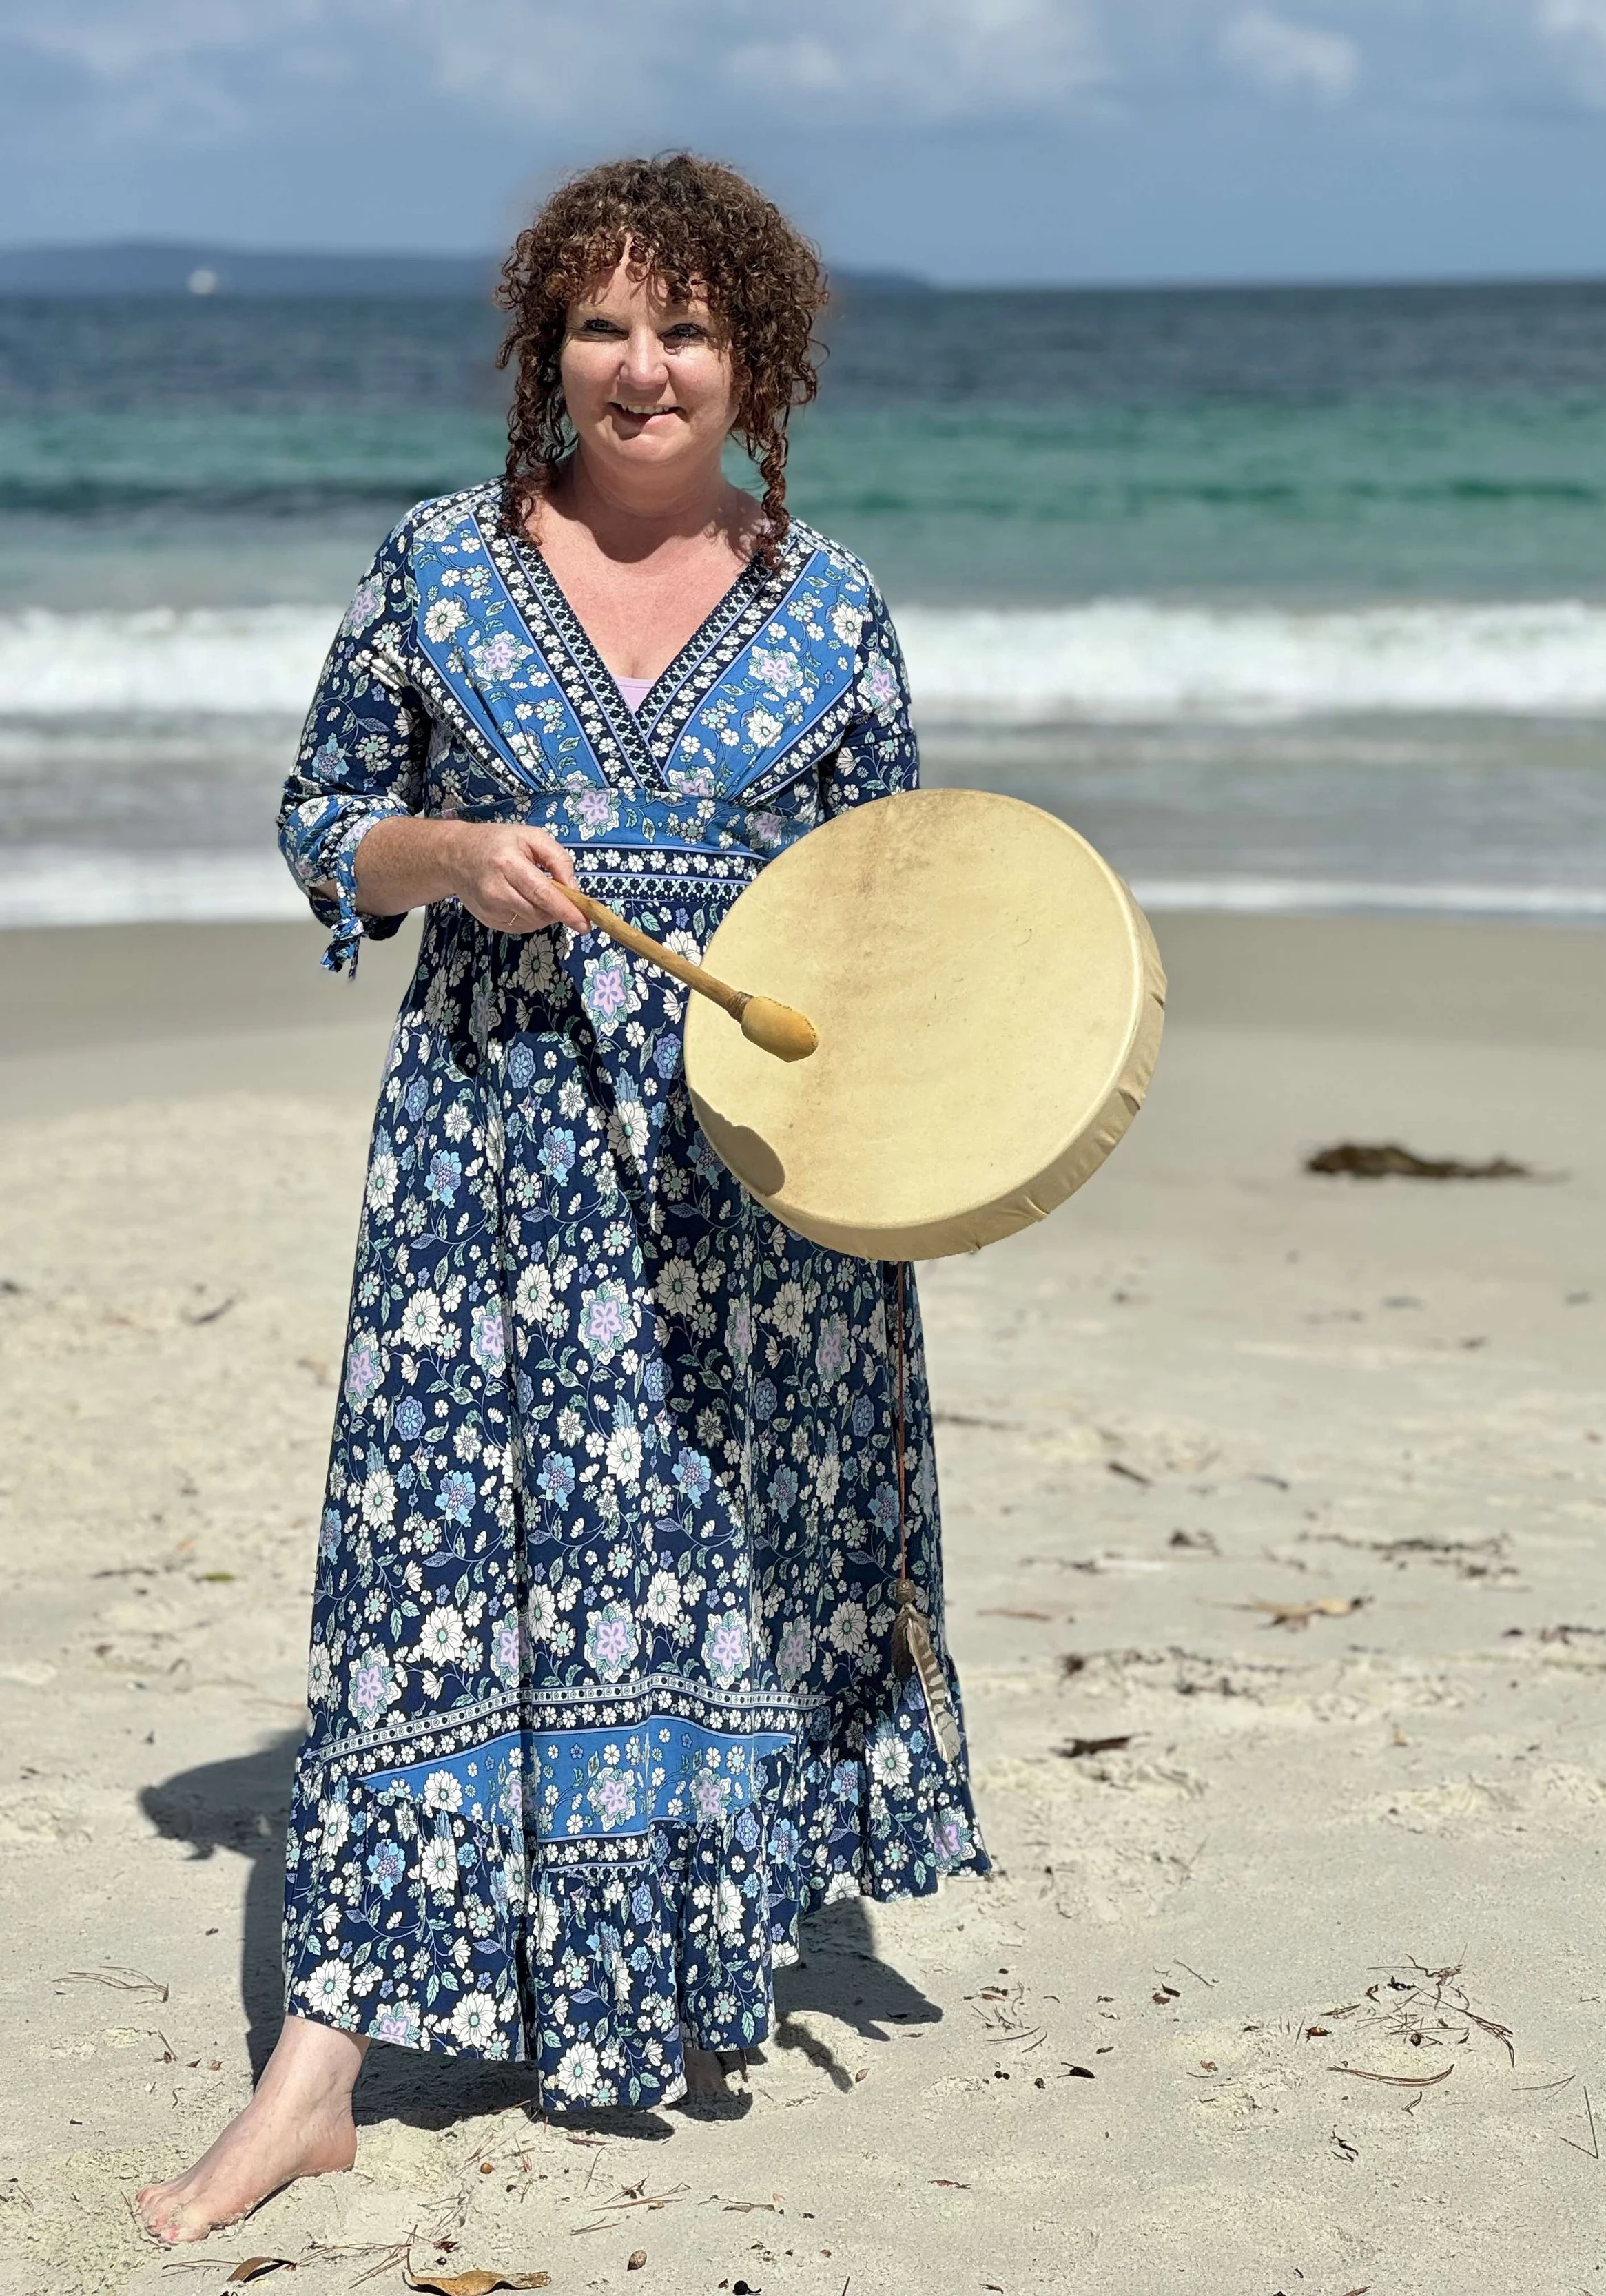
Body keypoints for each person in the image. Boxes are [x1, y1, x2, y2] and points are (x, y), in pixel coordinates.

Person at [136, 152, 986, 2247]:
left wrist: (923, 1157)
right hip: (495, 1147)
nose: (643, 364)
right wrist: (448, 853)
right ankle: (318, 2072)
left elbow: (896, 918)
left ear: (751, 363)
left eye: (686, 327)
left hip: (750, 1181)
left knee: (718, 1567)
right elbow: (320, 820)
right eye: (602, 325)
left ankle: (661, 1970)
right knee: (432, 1558)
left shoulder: (832, 606)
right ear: (548, 353)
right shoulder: (433, 567)